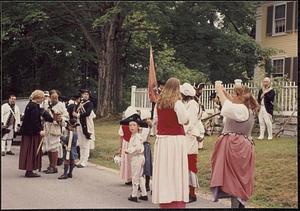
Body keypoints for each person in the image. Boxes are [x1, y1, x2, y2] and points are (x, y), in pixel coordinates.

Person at [210, 83, 259, 208]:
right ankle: (238, 204)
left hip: (236, 147)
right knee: (234, 180)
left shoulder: (241, 109)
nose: (232, 96)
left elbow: (226, 108)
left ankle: (237, 206)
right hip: (240, 146)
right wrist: (225, 93)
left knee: (234, 180)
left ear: (240, 97)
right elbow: (231, 102)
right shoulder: (244, 107)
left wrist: (219, 91)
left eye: (235, 94)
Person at [152, 77, 189, 208]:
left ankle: (165, 197)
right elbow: (184, 119)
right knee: (176, 169)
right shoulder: (178, 103)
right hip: (175, 140)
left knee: (164, 170)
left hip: (162, 140)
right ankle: (176, 198)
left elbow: (155, 120)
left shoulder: (159, 103)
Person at [19, 90, 54, 177]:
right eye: (42, 98)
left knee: (28, 151)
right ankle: (29, 170)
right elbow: (34, 121)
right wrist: (39, 130)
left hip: (28, 132)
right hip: (32, 133)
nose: (43, 99)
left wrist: (52, 118)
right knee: (31, 151)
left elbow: (41, 114)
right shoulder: (34, 106)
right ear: (38, 98)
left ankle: (29, 169)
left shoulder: (31, 105)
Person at [180, 83, 204, 203]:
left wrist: (181, 131)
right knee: (184, 165)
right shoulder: (186, 104)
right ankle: (186, 191)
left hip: (189, 137)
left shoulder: (192, 105)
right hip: (185, 137)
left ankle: (192, 192)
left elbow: (190, 122)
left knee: (190, 166)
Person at [120, 113, 149, 202]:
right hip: (139, 157)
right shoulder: (134, 136)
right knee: (140, 176)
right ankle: (144, 194)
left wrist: (129, 150)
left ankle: (134, 195)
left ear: (138, 126)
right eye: (130, 125)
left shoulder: (137, 136)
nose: (131, 127)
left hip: (137, 157)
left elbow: (138, 147)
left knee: (135, 177)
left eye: (134, 125)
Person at [42, 90, 69, 174]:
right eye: (53, 98)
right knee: (49, 148)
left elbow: (66, 116)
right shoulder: (46, 104)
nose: (54, 99)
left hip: (55, 128)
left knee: (54, 148)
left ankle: (54, 166)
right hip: (47, 128)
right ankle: (51, 165)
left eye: (56, 98)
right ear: (50, 97)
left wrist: (60, 119)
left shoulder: (61, 105)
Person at [73, 89, 96, 168]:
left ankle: (84, 161)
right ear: (81, 95)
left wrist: (78, 115)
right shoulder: (80, 103)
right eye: (84, 94)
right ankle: (81, 159)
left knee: (86, 144)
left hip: (87, 125)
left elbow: (88, 113)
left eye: (87, 94)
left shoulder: (90, 103)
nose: (86, 95)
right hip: (80, 124)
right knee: (81, 143)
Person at [118, 106, 137, 185]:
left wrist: (120, 147)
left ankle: (128, 178)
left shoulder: (123, 125)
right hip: (133, 143)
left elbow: (121, 136)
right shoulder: (136, 124)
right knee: (133, 160)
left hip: (126, 144)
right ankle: (133, 177)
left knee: (127, 161)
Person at [140, 109, 153, 192]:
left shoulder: (143, 126)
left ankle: (144, 184)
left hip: (143, 145)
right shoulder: (149, 126)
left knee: (142, 165)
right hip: (147, 146)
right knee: (147, 164)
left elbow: (142, 138)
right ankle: (147, 184)